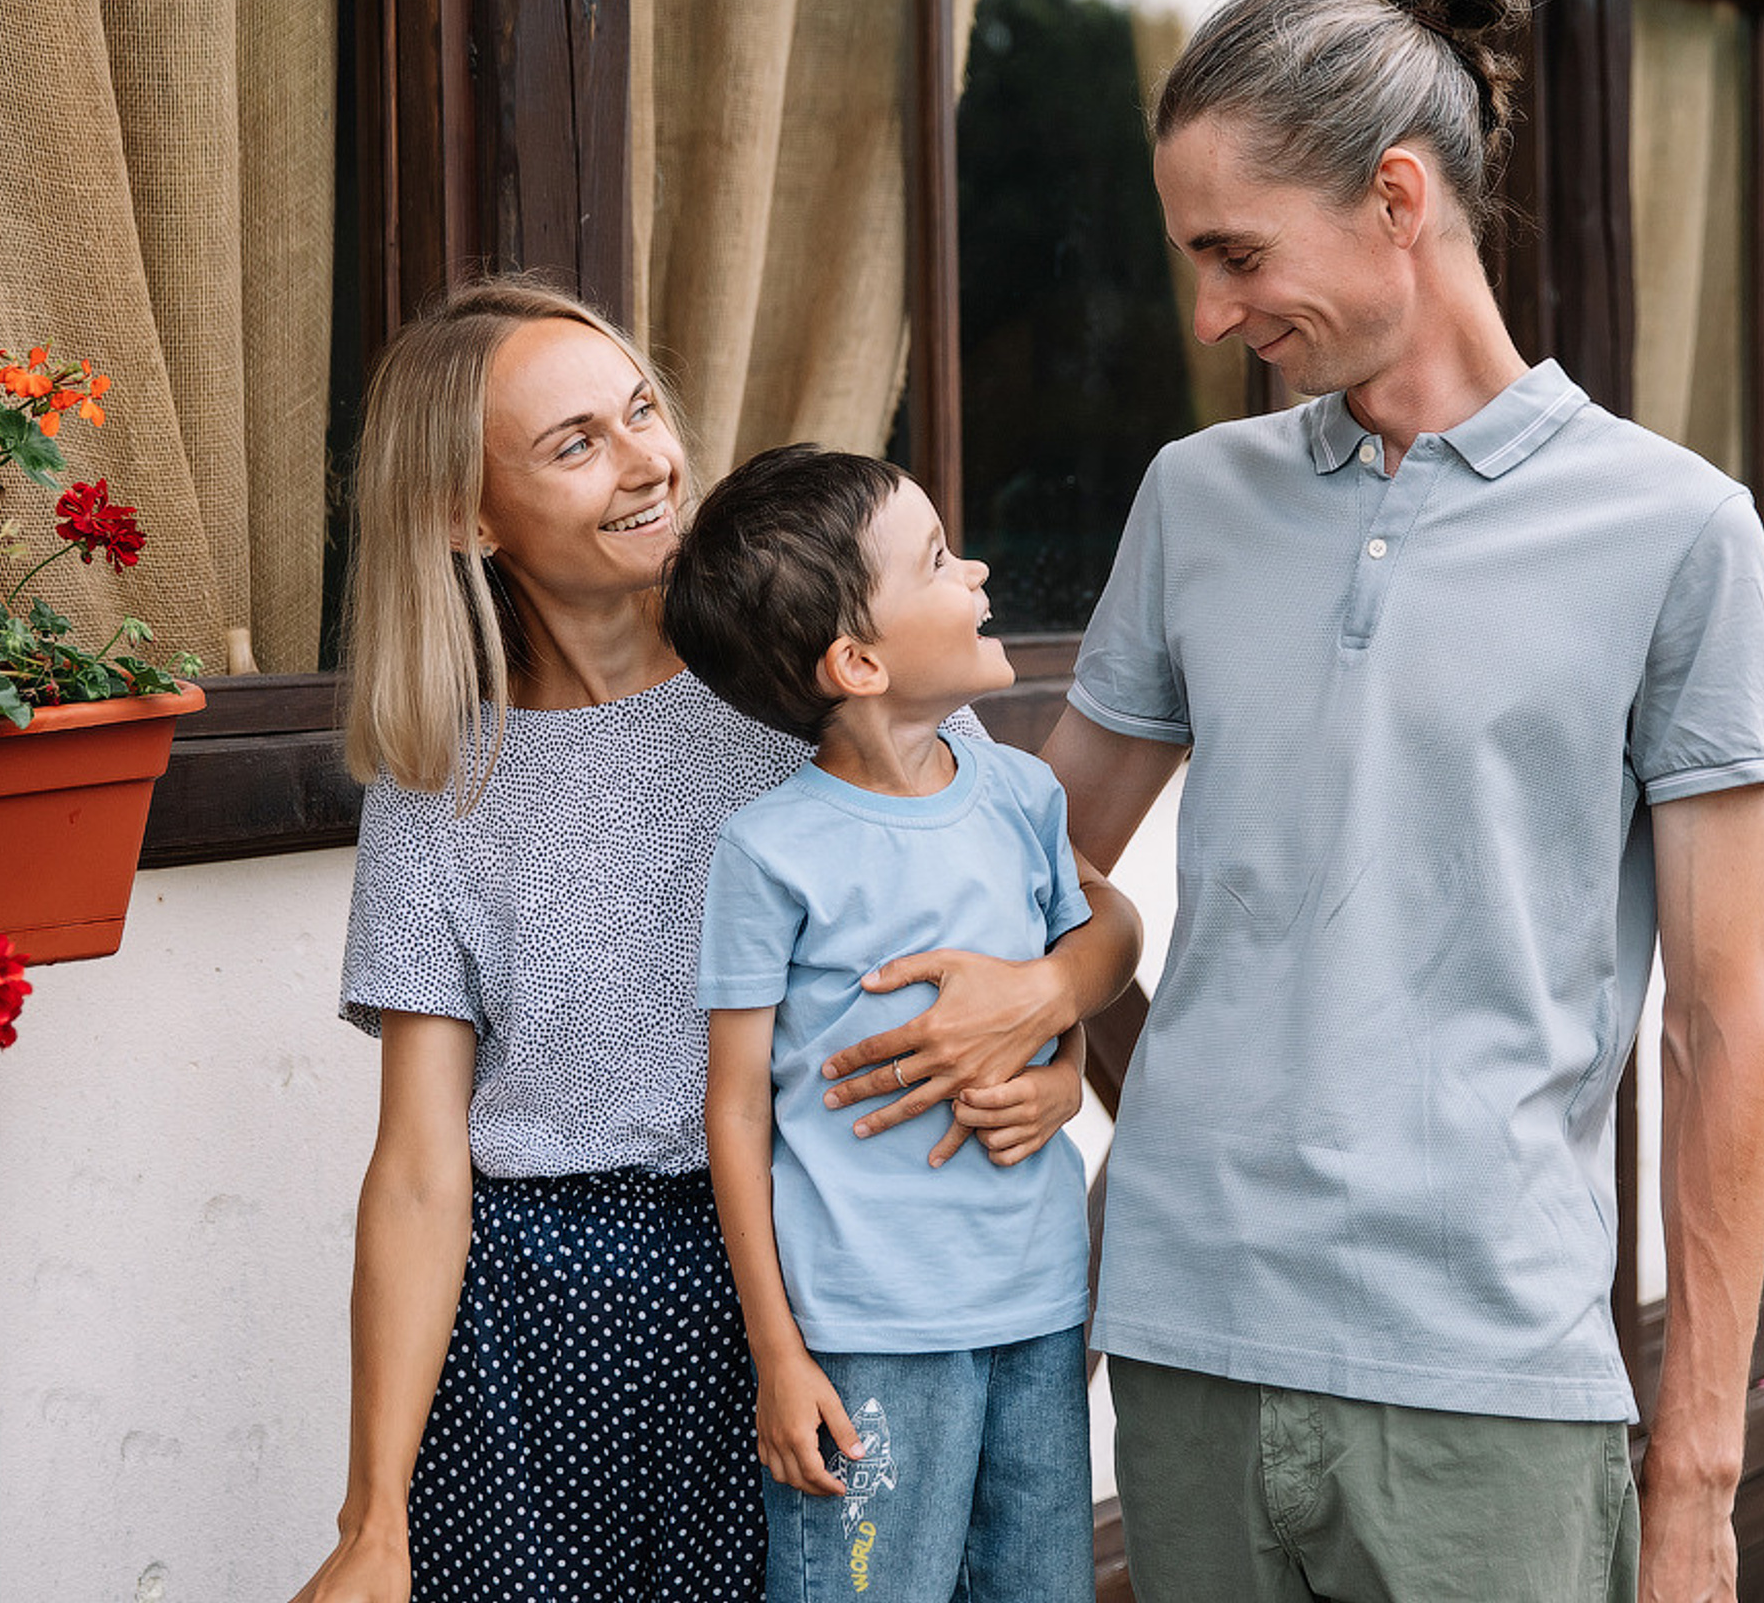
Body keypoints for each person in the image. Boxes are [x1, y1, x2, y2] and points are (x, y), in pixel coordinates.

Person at [823, 0, 1764, 1603]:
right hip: (1185, 1340)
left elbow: (1722, 1029)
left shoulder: (1677, 531)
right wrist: (1044, 1017)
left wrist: (1698, 1475)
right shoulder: (1200, 502)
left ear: (1400, 200)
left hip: (1488, 1380)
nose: (1210, 314)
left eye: (1235, 255)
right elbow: (1041, 863)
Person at [286, 281, 1139, 1603]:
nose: (647, 462)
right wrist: (372, 1519)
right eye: (576, 445)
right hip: (532, 1336)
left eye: (639, 411)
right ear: (465, 513)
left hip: (806, 1286)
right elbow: (416, 1170)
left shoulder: (810, 679)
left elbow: (1068, 922)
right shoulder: (438, 780)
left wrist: (1042, 1023)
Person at [662, 443, 1100, 1603]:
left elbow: (1069, 974)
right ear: (858, 660)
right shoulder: (771, 850)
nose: (980, 571)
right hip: (865, 1335)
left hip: (1041, 1303)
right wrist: (777, 1352)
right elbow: (736, 1106)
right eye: (942, 560)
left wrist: (1066, 1077)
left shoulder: (1023, 795)